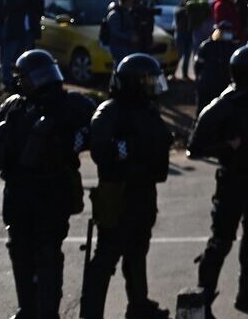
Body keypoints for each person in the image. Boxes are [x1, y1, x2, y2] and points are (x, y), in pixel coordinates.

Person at [0, 49, 95, 318]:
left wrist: (74, 141)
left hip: (51, 192)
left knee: (47, 253)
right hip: (18, 195)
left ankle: (48, 312)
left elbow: (97, 127)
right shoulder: (13, 106)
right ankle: (27, 308)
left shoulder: (68, 104)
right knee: (19, 252)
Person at [188, 45, 248, 317]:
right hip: (233, 183)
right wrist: (227, 146)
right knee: (221, 241)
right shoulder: (224, 105)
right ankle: (202, 299)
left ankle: (247, 293)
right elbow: (196, 145)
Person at [81, 54, 173, 319]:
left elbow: (158, 142)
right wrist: (130, 149)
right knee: (106, 257)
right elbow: (100, 149)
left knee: (137, 251)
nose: (153, 86)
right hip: (118, 194)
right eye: (148, 81)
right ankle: (91, 312)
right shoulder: (110, 111)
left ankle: (139, 306)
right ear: (134, 82)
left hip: (144, 193)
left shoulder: (148, 110)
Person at [1, 0, 40, 86]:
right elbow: (10, 6)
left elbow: (37, 9)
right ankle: (6, 81)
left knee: (26, 58)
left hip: (28, 31)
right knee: (9, 57)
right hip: (15, 30)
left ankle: (23, 81)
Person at [194, 21, 237, 113]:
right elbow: (198, 65)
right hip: (208, 84)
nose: (228, 33)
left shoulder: (232, 47)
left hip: (225, 84)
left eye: (229, 31)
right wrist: (200, 80)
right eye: (225, 31)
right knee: (203, 109)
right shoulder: (207, 45)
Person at [174, 0, 196, 79]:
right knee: (179, 55)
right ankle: (173, 74)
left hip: (189, 34)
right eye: (188, 0)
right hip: (180, 34)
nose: (189, 1)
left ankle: (185, 75)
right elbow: (178, 14)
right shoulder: (179, 8)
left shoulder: (194, 10)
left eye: (191, 0)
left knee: (187, 55)